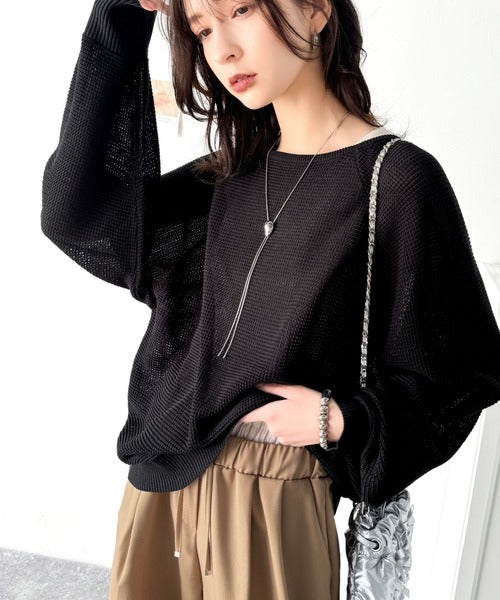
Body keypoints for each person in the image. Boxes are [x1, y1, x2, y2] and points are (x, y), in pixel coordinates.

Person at [40, 0, 500, 598]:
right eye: (203, 30)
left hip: (273, 505)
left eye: (241, 9)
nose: (223, 48)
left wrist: (341, 418)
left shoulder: (396, 180)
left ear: (316, 10)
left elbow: (463, 372)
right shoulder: (227, 179)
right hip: (160, 493)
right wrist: (121, 16)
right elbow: (74, 216)